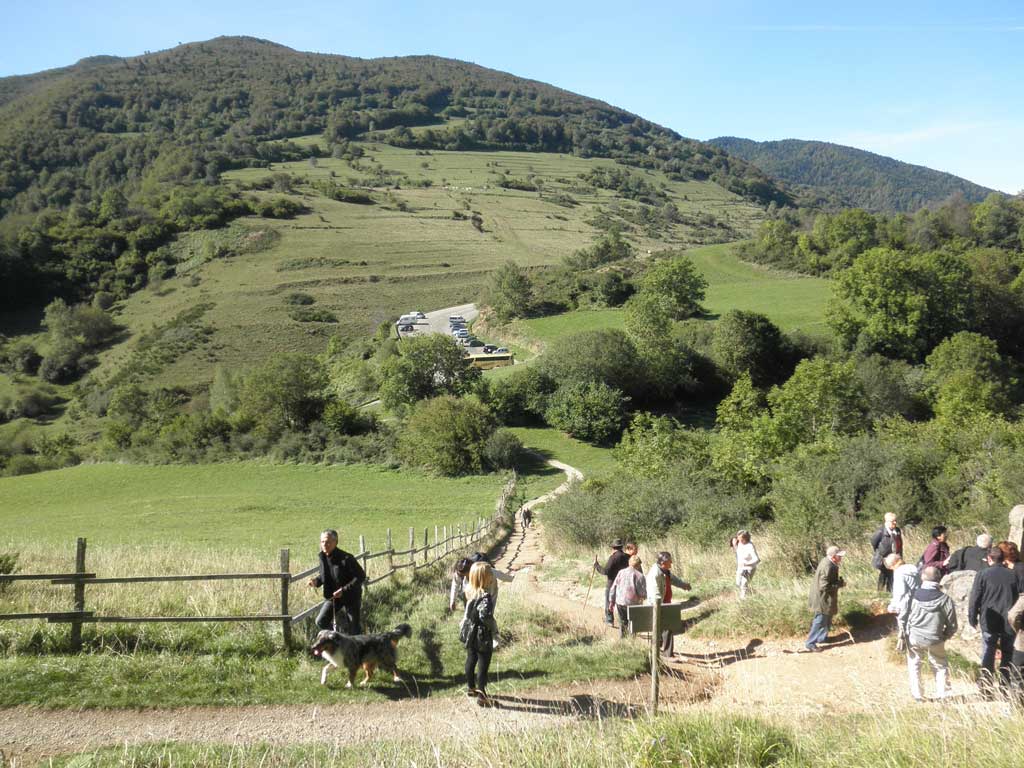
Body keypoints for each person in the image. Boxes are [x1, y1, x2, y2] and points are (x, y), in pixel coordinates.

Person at [901, 566, 958, 701]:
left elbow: (903, 616)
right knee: (940, 665)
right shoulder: (945, 599)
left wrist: (903, 633)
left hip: (914, 636)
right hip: (936, 637)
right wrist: (945, 636)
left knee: (914, 664)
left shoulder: (912, 596)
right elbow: (953, 625)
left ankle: (918, 695)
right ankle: (943, 694)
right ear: (939, 579)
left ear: (922, 577)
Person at [968, 546, 1020, 695]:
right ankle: (1004, 687)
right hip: (1009, 620)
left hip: (989, 619)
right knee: (1008, 654)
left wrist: (972, 617)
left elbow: (975, 598)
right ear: (1003, 559)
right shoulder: (1013, 575)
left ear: (989, 559)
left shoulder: (983, 574)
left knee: (988, 653)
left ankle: (986, 688)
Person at [308, 529, 366, 633]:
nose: (325, 544)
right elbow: (325, 575)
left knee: (354, 628)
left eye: (328, 542)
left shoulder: (346, 558)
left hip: (351, 596)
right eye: (322, 542)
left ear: (335, 542)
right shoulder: (323, 557)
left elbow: (361, 576)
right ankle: (338, 639)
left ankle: (359, 647)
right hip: (334, 596)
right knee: (321, 621)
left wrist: (343, 590)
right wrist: (316, 581)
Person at [460, 562, 499, 707]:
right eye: (490, 575)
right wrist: (494, 630)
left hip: (470, 633)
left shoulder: (469, 591)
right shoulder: (485, 597)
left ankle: (471, 688)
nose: (492, 578)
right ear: (484, 578)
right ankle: (482, 696)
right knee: (483, 665)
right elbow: (485, 617)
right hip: (482, 635)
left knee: (471, 660)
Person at [645, 551, 692, 657]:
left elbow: (674, 580)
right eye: (669, 561)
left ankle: (659, 651)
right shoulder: (655, 574)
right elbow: (655, 593)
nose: (671, 563)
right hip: (658, 605)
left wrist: (684, 585)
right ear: (663, 562)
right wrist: (660, 608)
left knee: (663, 629)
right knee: (666, 628)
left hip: (665, 604)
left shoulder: (665, 571)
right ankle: (666, 654)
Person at [805, 545, 846, 652]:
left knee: (827, 618)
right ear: (833, 557)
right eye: (839, 556)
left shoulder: (828, 562)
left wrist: (837, 583)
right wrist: (838, 585)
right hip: (822, 598)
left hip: (825, 598)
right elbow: (824, 586)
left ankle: (822, 638)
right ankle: (810, 643)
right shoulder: (827, 566)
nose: (841, 558)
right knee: (820, 620)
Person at [449, 552, 514, 612]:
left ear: (471, 571)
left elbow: (499, 574)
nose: (461, 577)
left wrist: (512, 579)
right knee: (470, 611)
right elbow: (455, 584)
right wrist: (452, 600)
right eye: (460, 575)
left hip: (489, 588)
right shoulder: (460, 571)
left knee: (487, 612)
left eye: (463, 575)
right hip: (472, 591)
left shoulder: (482, 569)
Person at [608, 554, 646, 638]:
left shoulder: (621, 572)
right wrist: (644, 597)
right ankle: (631, 642)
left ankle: (623, 642)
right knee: (633, 624)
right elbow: (642, 593)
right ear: (639, 565)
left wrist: (611, 602)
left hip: (620, 602)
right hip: (633, 604)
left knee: (622, 623)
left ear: (629, 563)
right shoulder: (640, 576)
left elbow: (613, 587)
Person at [594, 539, 630, 626]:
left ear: (613, 548)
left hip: (612, 583)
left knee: (609, 601)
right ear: (621, 547)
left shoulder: (613, 557)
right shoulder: (627, 557)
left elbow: (606, 571)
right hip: (624, 584)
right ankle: (625, 622)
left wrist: (597, 566)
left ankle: (609, 620)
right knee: (622, 603)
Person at [885, 553, 920, 634]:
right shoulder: (912, 567)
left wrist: (892, 606)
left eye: (890, 567)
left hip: (907, 602)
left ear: (893, 565)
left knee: (904, 625)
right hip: (919, 599)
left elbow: (900, 592)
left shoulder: (899, 572)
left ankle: (905, 642)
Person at [870, 513, 903, 593]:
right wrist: (881, 551)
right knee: (884, 574)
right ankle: (880, 591)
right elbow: (874, 542)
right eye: (893, 521)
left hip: (894, 558)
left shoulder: (897, 530)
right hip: (883, 558)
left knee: (892, 575)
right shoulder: (880, 532)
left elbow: (899, 542)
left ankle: (890, 592)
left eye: (896, 521)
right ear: (887, 521)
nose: (895, 523)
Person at [731, 530, 760, 599]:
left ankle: (743, 599)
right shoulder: (739, 542)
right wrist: (734, 544)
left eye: (740, 539)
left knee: (743, 584)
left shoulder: (750, 546)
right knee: (738, 583)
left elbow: (757, 559)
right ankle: (751, 592)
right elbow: (735, 547)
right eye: (738, 538)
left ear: (746, 538)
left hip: (749, 568)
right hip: (740, 567)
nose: (738, 540)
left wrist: (747, 563)